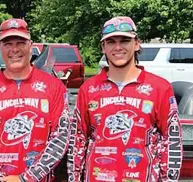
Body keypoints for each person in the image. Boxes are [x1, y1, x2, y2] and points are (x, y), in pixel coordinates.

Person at [67, 16, 183, 182]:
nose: (118, 47)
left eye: (125, 40)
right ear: (103, 47)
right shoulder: (88, 88)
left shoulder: (160, 88)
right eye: (111, 42)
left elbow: (172, 142)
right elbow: (78, 141)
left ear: (136, 44)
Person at [0, 18, 70, 182]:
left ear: (31, 45)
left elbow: (61, 137)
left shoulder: (54, 87)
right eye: (8, 44)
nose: (14, 49)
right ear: (0, 47)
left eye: (20, 43)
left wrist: (26, 178)